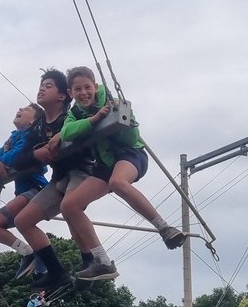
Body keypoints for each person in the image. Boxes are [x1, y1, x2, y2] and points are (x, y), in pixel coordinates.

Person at [58, 66, 186, 281]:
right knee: (68, 206)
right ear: (71, 93)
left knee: (118, 182)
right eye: (78, 89)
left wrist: (116, 115)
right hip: (104, 164)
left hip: (130, 155)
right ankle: (102, 261)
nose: (83, 93)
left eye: (87, 87)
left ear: (95, 86)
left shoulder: (112, 101)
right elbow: (67, 132)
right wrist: (94, 119)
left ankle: (164, 228)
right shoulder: (75, 113)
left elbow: (131, 135)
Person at [14, 69, 96, 290]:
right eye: (41, 84)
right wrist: (35, 154)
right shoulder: (39, 126)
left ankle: (91, 260)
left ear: (62, 95)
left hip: (82, 171)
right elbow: (20, 159)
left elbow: (91, 121)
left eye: (48, 85)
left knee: (70, 207)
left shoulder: (71, 115)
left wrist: (63, 135)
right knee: (23, 220)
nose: (41, 88)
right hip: (59, 178)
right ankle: (56, 272)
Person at [0, 103, 50, 278]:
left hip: (36, 189)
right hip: (23, 193)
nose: (20, 109)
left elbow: (15, 158)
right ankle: (28, 252)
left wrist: (0, 161)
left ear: (33, 121)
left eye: (26, 109)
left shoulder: (32, 138)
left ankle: (41, 257)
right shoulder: (13, 138)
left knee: (19, 222)